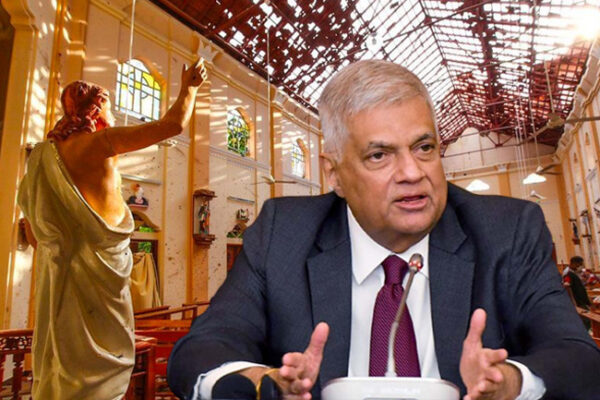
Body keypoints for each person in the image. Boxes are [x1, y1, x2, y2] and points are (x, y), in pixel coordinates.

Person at [167, 60, 600, 400]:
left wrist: (509, 383)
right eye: (379, 155)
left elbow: (579, 358)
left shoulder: (508, 231)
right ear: (334, 174)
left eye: (424, 147)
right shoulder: (283, 233)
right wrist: (261, 385)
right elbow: (202, 349)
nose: (413, 172)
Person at [18, 59, 206, 399]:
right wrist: (189, 88)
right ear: (93, 111)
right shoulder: (99, 143)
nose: (113, 115)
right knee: (102, 362)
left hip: (61, 277)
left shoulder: (42, 156)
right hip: (101, 274)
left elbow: (33, 233)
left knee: (65, 360)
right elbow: (172, 124)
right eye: (108, 107)